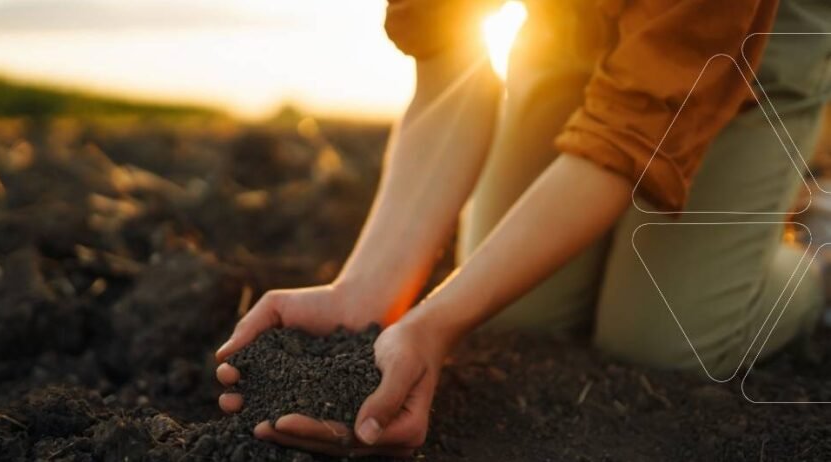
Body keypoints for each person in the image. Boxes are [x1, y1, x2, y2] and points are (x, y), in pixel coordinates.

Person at [215, 0, 831, 457]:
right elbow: (449, 67)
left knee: (665, 339)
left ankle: (812, 256)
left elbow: (624, 142)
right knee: (518, 310)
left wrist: (437, 323)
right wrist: (366, 294)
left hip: (741, 36)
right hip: (570, 21)